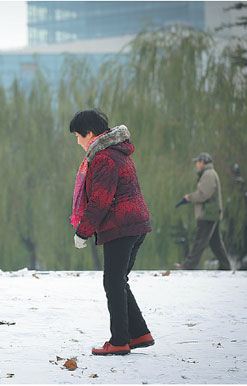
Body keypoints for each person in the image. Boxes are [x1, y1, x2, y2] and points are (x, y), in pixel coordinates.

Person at [70, 109, 154, 356]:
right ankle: (139, 333)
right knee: (118, 281)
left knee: (113, 283)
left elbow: (100, 200)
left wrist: (82, 232)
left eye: (78, 135)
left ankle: (119, 341)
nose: (77, 141)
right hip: (134, 223)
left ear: (90, 133)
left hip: (122, 225)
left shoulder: (104, 158)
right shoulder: (117, 153)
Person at [175, 153, 231, 270]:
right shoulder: (208, 173)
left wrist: (189, 197)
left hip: (207, 214)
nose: (196, 164)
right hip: (211, 213)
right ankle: (225, 266)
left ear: (203, 162)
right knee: (216, 244)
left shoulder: (208, 174)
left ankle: (188, 265)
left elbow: (204, 194)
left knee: (199, 241)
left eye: (198, 162)